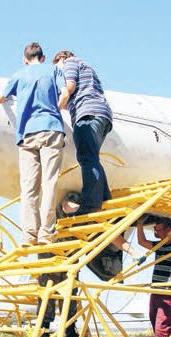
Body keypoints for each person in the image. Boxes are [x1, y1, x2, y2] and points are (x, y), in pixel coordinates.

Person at [37, 196, 146, 337]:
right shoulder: (69, 205)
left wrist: (133, 251)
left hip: (70, 260)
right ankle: (43, 332)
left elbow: (110, 234)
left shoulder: (89, 218)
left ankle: (70, 331)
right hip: (50, 257)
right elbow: (66, 205)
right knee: (48, 293)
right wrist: (86, 209)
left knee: (70, 295)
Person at [0, 42, 69, 246]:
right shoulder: (53, 70)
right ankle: (46, 232)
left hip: (27, 133)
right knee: (49, 181)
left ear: (25, 59)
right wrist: (57, 108)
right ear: (43, 58)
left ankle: (29, 234)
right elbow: (65, 93)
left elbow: (1, 97)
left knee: (29, 187)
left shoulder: (19, 75)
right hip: (51, 128)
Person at [52, 50, 113, 216]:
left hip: (87, 114)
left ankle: (91, 203)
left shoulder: (70, 63)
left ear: (61, 59)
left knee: (86, 158)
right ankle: (105, 198)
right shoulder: (86, 67)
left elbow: (69, 87)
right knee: (92, 157)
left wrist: (57, 105)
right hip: (101, 114)